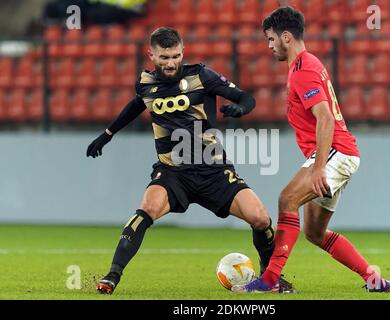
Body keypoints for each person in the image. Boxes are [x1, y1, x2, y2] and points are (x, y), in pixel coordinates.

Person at [86, 27, 295, 294]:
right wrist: (107, 134)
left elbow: (246, 97)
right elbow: (137, 104)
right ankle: (111, 276)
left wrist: (241, 108)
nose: (171, 63)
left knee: (261, 218)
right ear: (151, 55)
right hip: (173, 172)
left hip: (213, 171)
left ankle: (270, 280)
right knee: (146, 210)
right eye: (164, 57)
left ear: (182, 51)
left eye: (175, 56)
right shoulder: (145, 83)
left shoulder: (201, 75)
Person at [232, 7, 390, 293]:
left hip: (336, 152)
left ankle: (269, 281)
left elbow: (325, 117)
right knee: (315, 233)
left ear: (285, 37)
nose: (269, 46)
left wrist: (319, 167)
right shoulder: (306, 65)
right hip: (342, 153)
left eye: (271, 39)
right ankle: (374, 280)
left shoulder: (303, 70)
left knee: (287, 199)